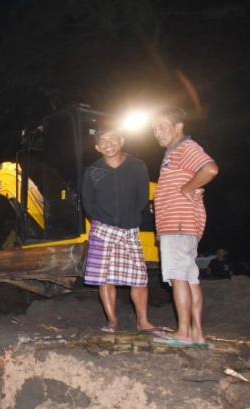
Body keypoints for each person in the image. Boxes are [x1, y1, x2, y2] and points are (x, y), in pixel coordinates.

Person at [151, 106, 219, 348]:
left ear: (178, 126)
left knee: (178, 276)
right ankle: (197, 334)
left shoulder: (185, 147)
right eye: (154, 129)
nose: (157, 132)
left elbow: (210, 169)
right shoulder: (173, 153)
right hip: (182, 224)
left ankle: (183, 333)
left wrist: (186, 189)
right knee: (190, 279)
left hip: (177, 224)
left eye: (162, 126)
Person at [81, 127, 159, 334]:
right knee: (104, 278)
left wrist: (129, 219)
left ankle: (143, 322)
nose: (108, 144)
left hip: (129, 228)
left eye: (112, 139)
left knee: (139, 278)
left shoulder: (137, 166)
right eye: (103, 141)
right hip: (102, 229)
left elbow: (142, 198)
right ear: (97, 148)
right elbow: (88, 202)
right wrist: (103, 219)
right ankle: (112, 321)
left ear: (122, 140)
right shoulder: (92, 170)